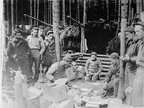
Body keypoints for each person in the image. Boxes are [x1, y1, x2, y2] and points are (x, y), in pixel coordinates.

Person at [121, 26, 138, 104]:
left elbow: (139, 58)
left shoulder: (139, 43)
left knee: (133, 88)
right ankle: (128, 103)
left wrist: (129, 59)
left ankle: (132, 104)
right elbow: (129, 54)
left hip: (134, 70)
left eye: (127, 34)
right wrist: (125, 57)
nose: (126, 37)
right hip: (128, 68)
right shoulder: (130, 42)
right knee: (127, 87)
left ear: (133, 33)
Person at [131, 21, 144, 107]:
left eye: (138, 31)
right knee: (136, 96)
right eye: (135, 32)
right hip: (140, 71)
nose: (136, 34)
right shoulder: (141, 43)